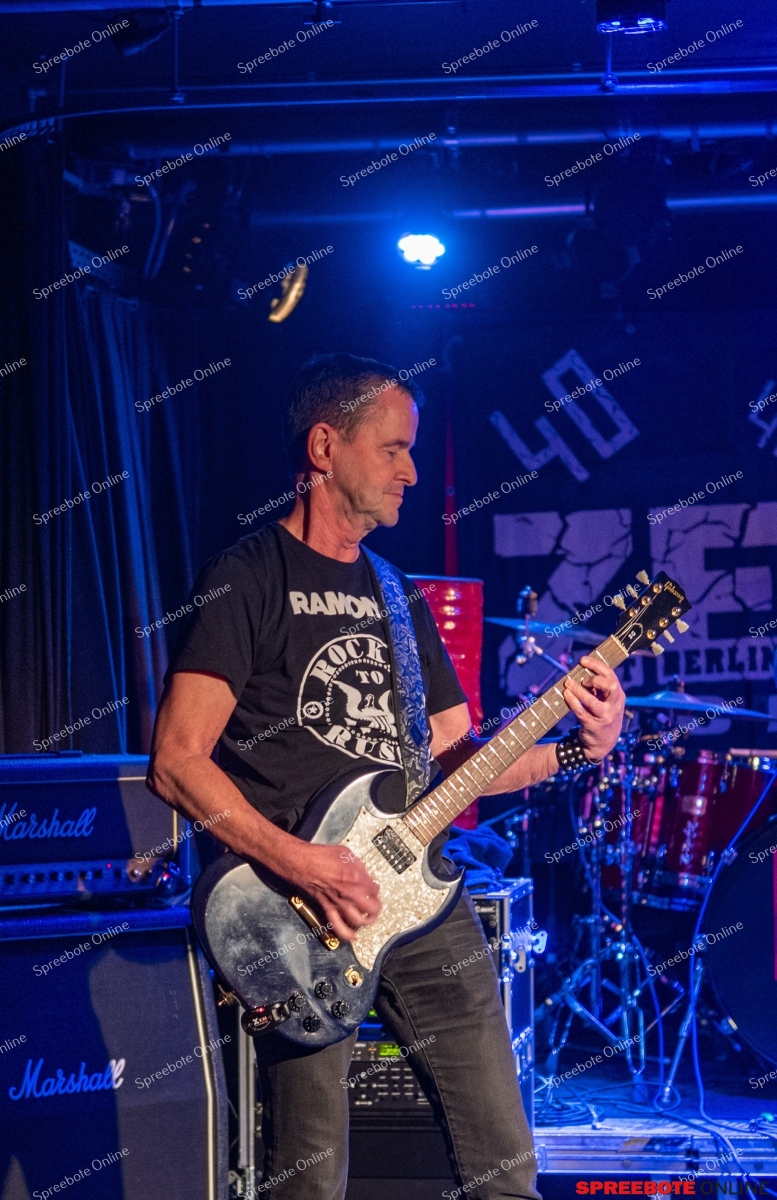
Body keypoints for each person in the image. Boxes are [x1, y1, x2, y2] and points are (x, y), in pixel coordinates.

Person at [147, 352, 626, 1200]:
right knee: (310, 1176)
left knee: (506, 1163)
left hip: (421, 900)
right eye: (393, 448)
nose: (411, 472)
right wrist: (302, 864)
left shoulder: (397, 596)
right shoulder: (245, 578)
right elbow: (177, 761)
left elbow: (463, 767)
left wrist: (580, 748)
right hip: (299, 913)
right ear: (324, 447)